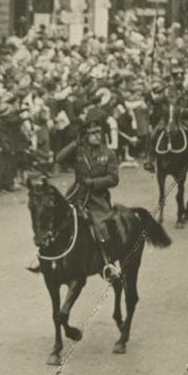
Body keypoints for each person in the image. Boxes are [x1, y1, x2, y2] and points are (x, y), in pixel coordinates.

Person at [46, 109, 127, 279]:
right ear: (85, 135)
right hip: (77, 194)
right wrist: (75, 143)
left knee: (101, 225)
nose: (96, 135)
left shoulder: (109, 154)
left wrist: (94, 183)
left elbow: (114, 178)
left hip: (97, 198)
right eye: (91, 133)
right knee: (54, 216)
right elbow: (59, 159)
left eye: (98, 132)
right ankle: (51, 257)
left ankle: (108, 263)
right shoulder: (79, 151)